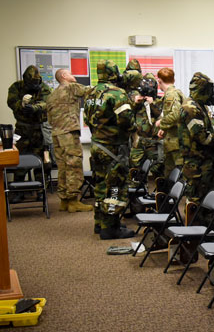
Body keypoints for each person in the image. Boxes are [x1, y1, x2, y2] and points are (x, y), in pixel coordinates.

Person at [83, 60, 136, 239]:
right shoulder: (117, 93)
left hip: (97, 145)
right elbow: (127, 121)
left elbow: (87, 120)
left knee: (99, 185)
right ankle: (111, 228)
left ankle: (100, 223)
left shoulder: (91, 93)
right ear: (114, 72)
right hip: (113, 148)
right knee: (115, 186)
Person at [45, 68, 93, 212]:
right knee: (74, 164)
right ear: (64, 76)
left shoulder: (52, 95)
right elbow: (92, 91)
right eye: (71, 73)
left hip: (56, 134)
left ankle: (64, 200)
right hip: (69, 133)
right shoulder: (71, 87)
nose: (74, 76)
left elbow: (49, 118)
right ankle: (73, 201)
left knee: (62, 166)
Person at [178, 72, 214, 203]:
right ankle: (195, 224)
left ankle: (207, 224)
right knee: (196, 203)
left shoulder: (200, 106)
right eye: (209, 90)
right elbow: (202, 137)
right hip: (196, 165)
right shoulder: (190, 108)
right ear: (202, 90)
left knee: (208, 203)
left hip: (205, 163)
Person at [7, 65, 52, 187]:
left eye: (36, 83)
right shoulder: (16, 87)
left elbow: (48, 102)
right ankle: (18, 189)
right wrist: (21, 105)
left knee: (43, 160)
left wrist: (35, 108)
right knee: (20, 158)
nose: (34, 86)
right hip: (23, 129)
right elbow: (11, 102)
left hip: (40, 129)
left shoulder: (44, 87)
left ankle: (41, 189)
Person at [129, 73, 164, 179]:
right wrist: (136, 103)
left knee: (158, 169)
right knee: (135, 169)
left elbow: (162, 116)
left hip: (154, 142)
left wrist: (152, 104)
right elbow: (128, 114)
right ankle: (138, 191)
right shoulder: (138, 101)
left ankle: (160, 193)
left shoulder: (159, 101)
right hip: (139, 141)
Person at [155, 67, 185, 178]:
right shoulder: (176, 92)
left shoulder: (170, 95)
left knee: (176, 175)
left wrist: (161, 123)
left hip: (175, 143)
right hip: (174, 141)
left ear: (159, 81)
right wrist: (165, 129)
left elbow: (176, 114)